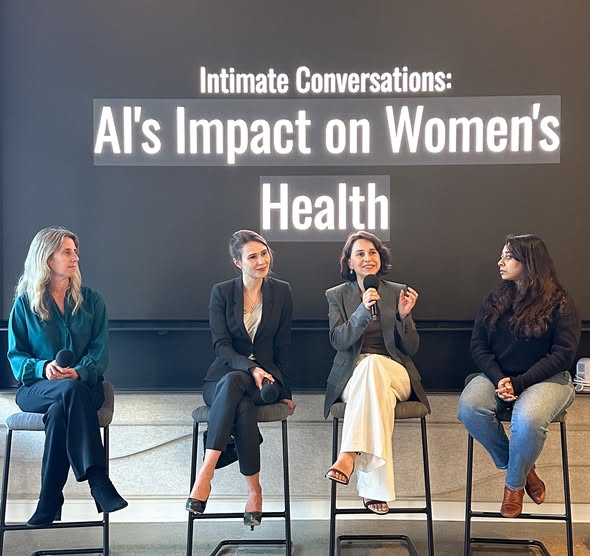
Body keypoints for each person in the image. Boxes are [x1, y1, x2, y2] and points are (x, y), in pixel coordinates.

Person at [7, 227, 127, 527]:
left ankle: (49, 500)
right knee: (67, 394)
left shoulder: (92, 301)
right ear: (47, 258)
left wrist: (79, 371)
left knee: (63, 409)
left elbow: (100, 353)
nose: (75, 257)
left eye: (75, 251)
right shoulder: (24, 305)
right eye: (67, 252)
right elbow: (16, 358)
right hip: (37, 389)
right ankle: (98, 480)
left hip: (85, 387)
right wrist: (43, 368)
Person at [457, 234, 580, 518]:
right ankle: (526, 472)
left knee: (527, 421)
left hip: (549, 380)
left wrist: (519, 383)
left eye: (508, 257)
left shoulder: (560, 302)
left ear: (529, 262)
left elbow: (562, 355)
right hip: (498, 377)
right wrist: (499, 378)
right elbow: (478, 345)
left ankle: (514, 485)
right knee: (469, 409)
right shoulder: (494, 300)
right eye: (502, 255)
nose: (500, 262)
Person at [186, 230, 295, 528]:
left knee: (239, 388)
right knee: (240, 402)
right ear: (238, 262)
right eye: (252, 257)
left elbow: (283, 345)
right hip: (221, 379)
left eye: (264, 253)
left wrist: (286, 391)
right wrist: (250, 368)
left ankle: (205, 473)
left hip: (265, 382)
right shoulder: (221, 293)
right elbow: (221, 346)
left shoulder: (282, 291)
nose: (261, 261)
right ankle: (254, 491)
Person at [323, 231, 430, 514]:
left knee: (374, 366)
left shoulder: (397, 291)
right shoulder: (336, 295)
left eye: (372, 252)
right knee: (372, 383)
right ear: (349, 263)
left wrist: (404, 317)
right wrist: (362, 310)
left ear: (380, 258)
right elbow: (338, 341)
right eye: (360, 254)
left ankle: (348, 454)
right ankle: (374, 491)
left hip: (395, 373)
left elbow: (411, 348)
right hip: (354, 377)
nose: (367, 258)